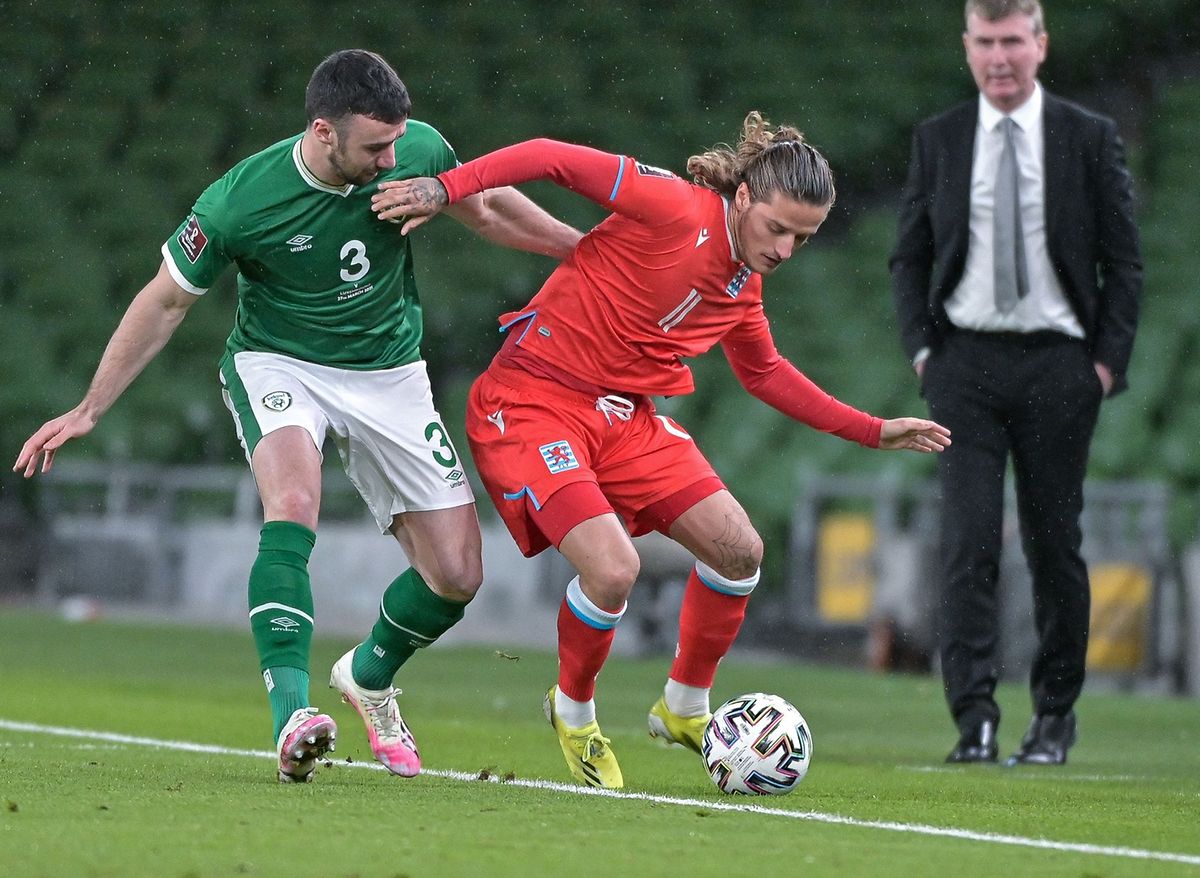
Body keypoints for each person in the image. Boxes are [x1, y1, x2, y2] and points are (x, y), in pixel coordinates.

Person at [13, 49, 582, 784]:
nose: (390, 159)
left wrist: (582, 248)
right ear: (322, 132)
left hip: (389, 372)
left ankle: (369, 677)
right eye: (375, 148)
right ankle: (292, 714)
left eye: (396, 144)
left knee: (457, 574)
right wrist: (91, 407)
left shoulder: (418, 148)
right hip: (280, 364)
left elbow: (489, 207)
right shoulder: (238, 202)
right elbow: (164, 300)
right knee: (294, 501)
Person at [373, 112, 952, 789]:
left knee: (740, 551)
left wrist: (870, 428)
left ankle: (684, 706)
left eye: (805, 236)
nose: (788, 248)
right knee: (613, 569)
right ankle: (573, 708)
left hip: (624, 420)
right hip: (534, 402)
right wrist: (448, 188)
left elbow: (762, 373)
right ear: (743, 199)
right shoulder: (672, 205)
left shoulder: (744, 284)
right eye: (779, 228)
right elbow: (550, 153)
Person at [890, 0, 1142, 766]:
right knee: (967, 542)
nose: (999, 57)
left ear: (1040, 45)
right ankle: (975, 720)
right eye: (985, 42)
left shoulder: (1088, 137)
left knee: (1052, 542)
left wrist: (1104, 364)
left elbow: (1124, 262)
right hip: (963, 364)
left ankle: (1054, 717)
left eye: (1013, 42)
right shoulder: (938, 138)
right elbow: (911, 256)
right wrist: (924, 354)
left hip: (1060, 366)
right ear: (967, 49)